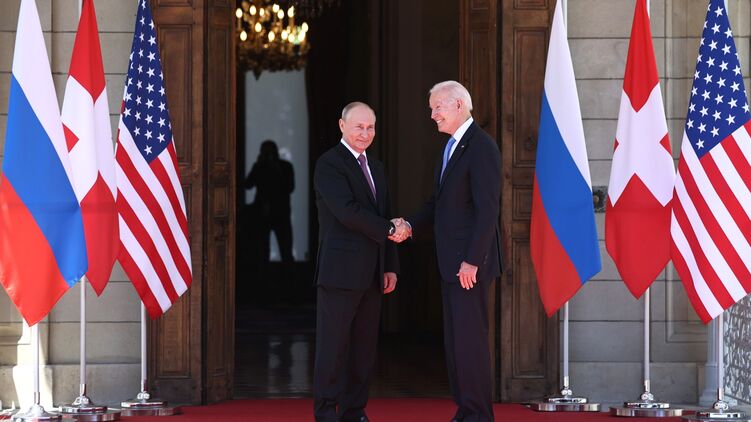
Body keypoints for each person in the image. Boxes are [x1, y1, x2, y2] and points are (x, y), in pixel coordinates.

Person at [391, 81, 502, 422]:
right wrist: (409, 225)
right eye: (432, 109)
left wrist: (472, 261)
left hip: (468, 266)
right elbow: (437, 203)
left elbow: (487, 210)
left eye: (437, 107)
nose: (433, 115)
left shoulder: (480, 146)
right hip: (451, 263)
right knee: (456, 344)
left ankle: (478, 414)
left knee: (470, 342)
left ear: (458, 105)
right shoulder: (451, 147)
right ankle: (466, 410)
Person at [312, 102, 406, 422]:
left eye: (370, 128)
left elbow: (385, 211)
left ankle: (354, 411)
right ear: (342, 126)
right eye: (359, 127)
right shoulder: (329, 164)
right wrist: (390, 229)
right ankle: (326, 413)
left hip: (373, 273)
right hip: (340, 273)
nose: (365, 133)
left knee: (364, 350)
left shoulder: (376, 167)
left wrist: (390, 265)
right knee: (333, 348)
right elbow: (347, 211)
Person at [245, 140, 295, 266]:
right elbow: (248, 184)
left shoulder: (285, 166)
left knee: (286, 251)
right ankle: (264, 277)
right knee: (262, 253)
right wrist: (257, 166)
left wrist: (277, 169)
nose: (267, 155)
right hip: (262, 214)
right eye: (264, 152)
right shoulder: (259, 167)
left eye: (269, 152)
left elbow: (290, 187)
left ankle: (288, 276)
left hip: (281, 214)